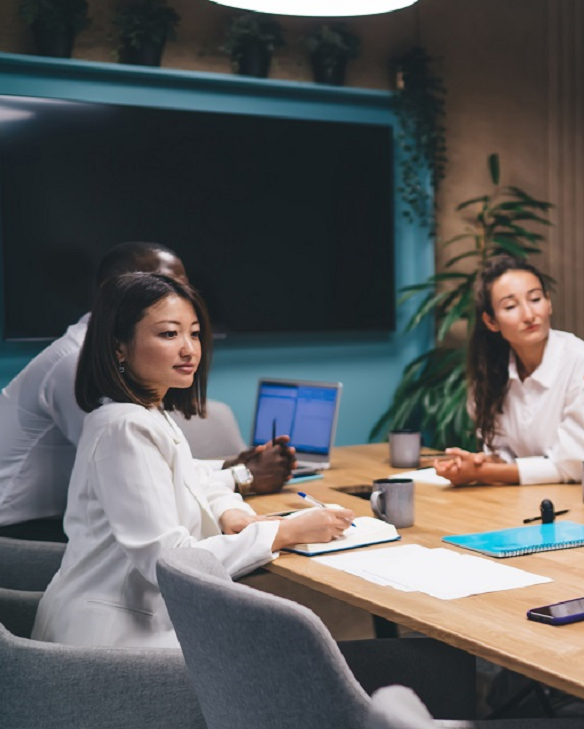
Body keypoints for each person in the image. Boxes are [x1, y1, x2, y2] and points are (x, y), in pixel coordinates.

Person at [32, 272, 352, 648]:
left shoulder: (147, 412)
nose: (189, 349)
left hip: (139, 622)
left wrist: (232, 513)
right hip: (109, 645)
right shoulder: (125, 427)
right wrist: (285, 531)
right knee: (295, 655)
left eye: (195, 333)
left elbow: (194, 478)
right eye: (169, 334)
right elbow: (167, 562)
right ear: (119, 347)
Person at [0, 242, 295, 542]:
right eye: (162, 283)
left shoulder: (135, 374)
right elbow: (148, 475)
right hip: (22, 531)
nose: (178, 296)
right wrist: (243, 478)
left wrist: (232, 468)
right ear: (113, 291)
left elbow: (157, 467)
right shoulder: (79, 365)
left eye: (183, 285)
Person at [434, 256, 584, 486]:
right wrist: (478, 463)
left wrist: (484, 473)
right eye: (510, 306)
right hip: (525, 499)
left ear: (549, 303)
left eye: (535, 299)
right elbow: (503, 454)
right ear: (491, 321)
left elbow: (579, 464)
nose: (528, 315)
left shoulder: (583, 361)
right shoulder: (490, 372)